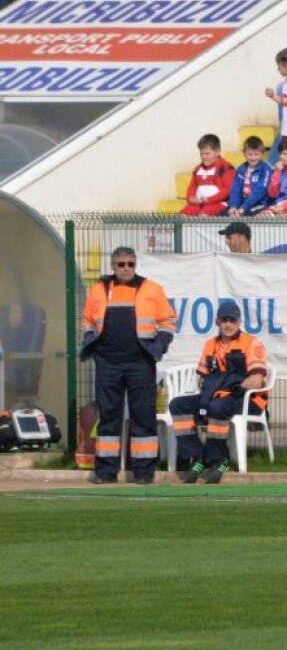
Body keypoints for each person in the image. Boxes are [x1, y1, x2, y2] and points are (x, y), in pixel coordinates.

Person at [81, 248, 177, 484]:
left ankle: (144, 473)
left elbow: (168, 321)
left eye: (130, 264)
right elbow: (88, 322)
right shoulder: (98, 290)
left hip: (140, 364)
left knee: (143, 416)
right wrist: (92, 346)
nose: (126, 268)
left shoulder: (152, 289)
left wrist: (160, 346)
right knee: (109, 416)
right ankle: (105, 472)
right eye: (121, 264)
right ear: (112, 266)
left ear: (135, 265)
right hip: (108, 364)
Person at [170, 301, 269, 485]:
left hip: (248, 400)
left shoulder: (251, 343)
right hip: (217, 396)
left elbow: (257, 380)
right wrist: (210, 392)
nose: (228, 324)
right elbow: (203, 379)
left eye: (232, 320)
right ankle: (197, 458)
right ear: (217, 322)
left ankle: (220, 461)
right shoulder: (210, 345)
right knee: (178, 404)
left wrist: (227, 388)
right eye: (224, 320)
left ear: (239, 322)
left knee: (217, 406)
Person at [181, 134, 235, 217]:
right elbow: (192, 187)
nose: (203, 157)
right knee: (184, 213)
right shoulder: (198, 169)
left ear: (217, 152)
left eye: (207, 154)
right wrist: (191, 198)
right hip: (199, 204)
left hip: (219, 204)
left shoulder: (225, 168)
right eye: (201, 154)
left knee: (204, 214)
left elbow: (228, 190)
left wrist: (208, 200)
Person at [227, 136, 273, 216]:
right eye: (250, 154)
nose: (253, 157)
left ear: (262, 154)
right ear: (244, 153)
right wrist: (233, 206)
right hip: (242, 204)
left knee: (246, 215)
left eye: (256, 154)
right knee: (225, 214)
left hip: (260, 204)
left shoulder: (265, 170)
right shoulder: (241, 169)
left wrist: (243, 207)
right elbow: (235, 190)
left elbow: (260, 192)